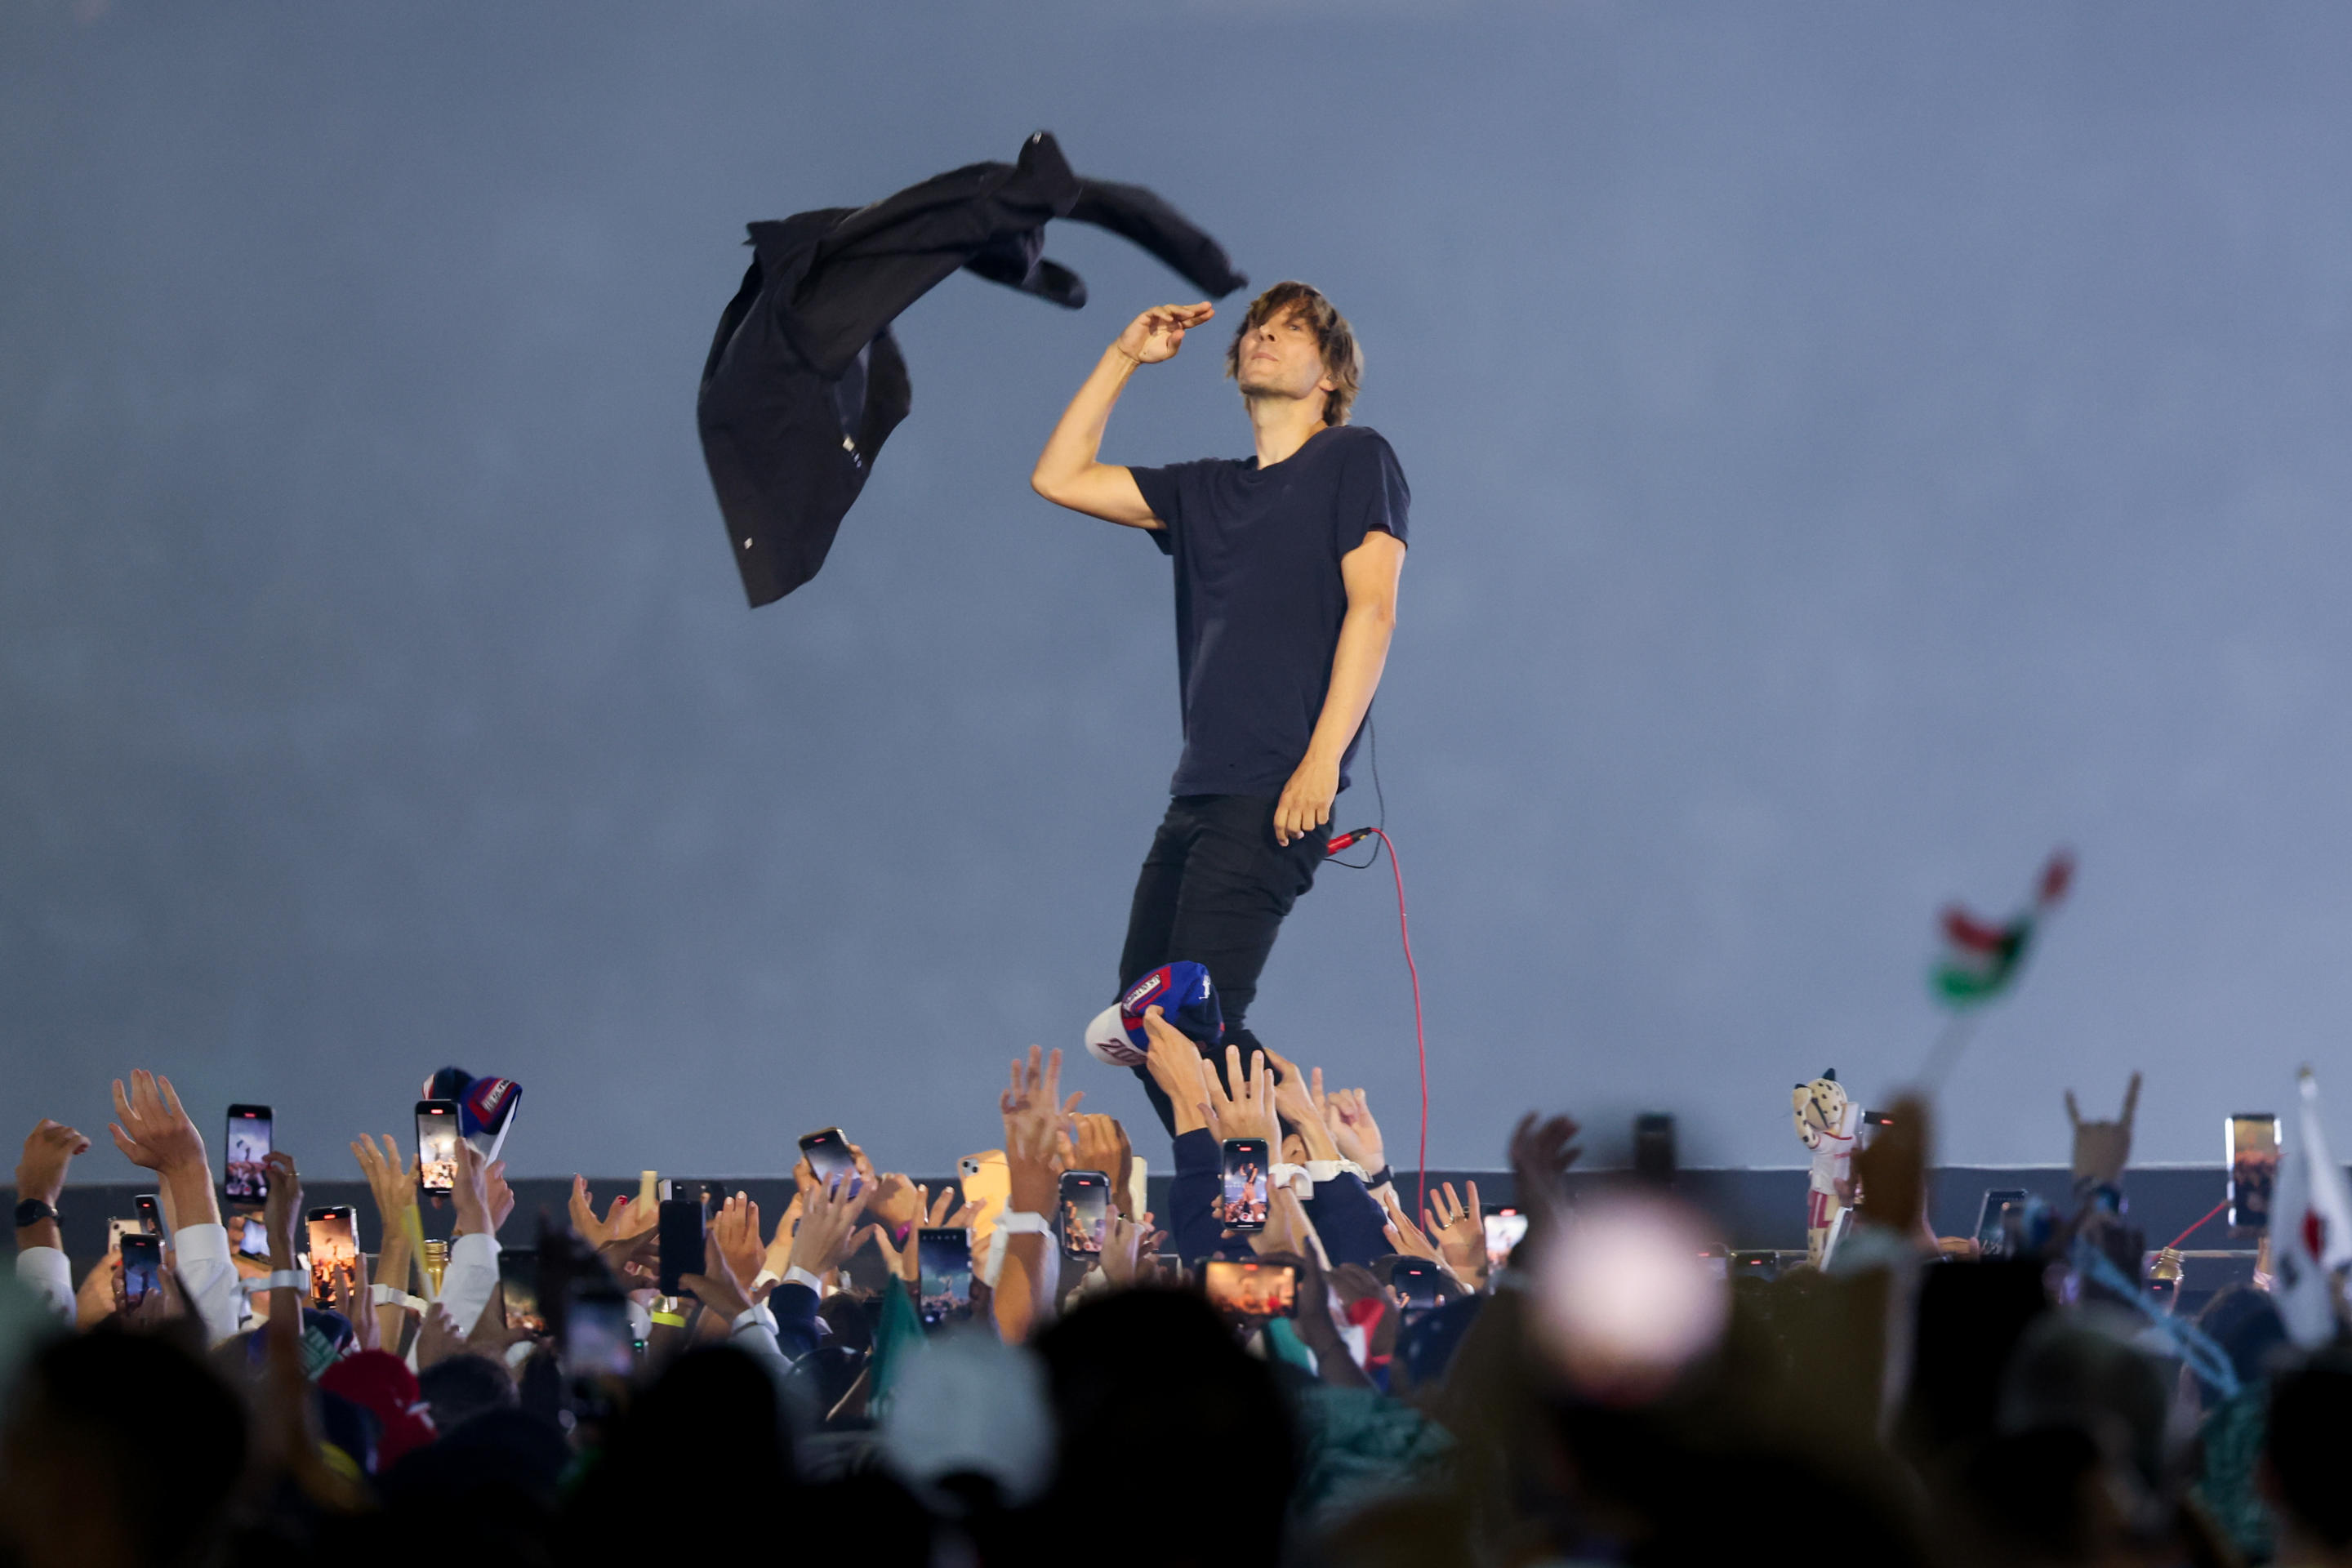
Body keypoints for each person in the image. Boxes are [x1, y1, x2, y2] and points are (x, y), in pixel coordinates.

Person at [1031, 283, 1410, 1129]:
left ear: (1331, 377)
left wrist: (1319, 763)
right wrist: (1126, 354)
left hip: (1277, 788)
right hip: (1197, 793)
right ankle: (1298, 1168)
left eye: (1291, 331)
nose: (1265, 337)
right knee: (1142, 1028)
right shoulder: (1204, 491)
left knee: (1189, 1025)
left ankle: (1296, 1190)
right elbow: (1058, 476)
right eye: (1258, 329)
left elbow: (1374, 609)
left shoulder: (1355, 458)